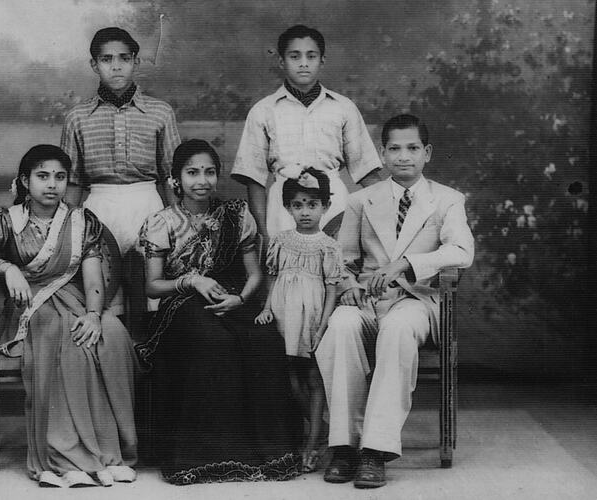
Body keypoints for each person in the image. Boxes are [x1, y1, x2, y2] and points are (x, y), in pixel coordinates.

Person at [315, 114, 474, 488]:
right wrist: (350, 283)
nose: (404, 157)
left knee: (399, 327)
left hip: (416, 302)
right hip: (368, 300)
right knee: (340, 325)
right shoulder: (360, 200)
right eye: (395, 149)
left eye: (413, 148)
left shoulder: (447, 200)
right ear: (383, 154)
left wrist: (408, 263)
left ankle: (376, 449)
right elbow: (343, 257)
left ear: (427, 153)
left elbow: (461, 251)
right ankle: (345, 446)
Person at [0, 145, 137, 488]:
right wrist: (7, 267)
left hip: (75, 299)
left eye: (60, 177)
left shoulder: (80, 220)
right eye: (42, 176)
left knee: (111, 332)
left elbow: (92, 277)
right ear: (25, 181)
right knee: (62, 335)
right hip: (28, 304)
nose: (52, 184)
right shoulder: (6, 220)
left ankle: (110, 452)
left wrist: (93, 314)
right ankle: (66, 455)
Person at [136, 139, 301, 485]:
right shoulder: (161, 221)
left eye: (210, 172)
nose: (202, 180)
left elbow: (254, 273)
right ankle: (207, 457)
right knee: (214, 342)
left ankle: (267, 454)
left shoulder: (236, 215)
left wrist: (240, 299)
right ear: (175, 179)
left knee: (263, 340)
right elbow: (152, 285)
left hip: (230, 300)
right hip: (180, 307)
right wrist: (191, 281)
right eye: (192, 172)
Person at [60, 27, 181, 324]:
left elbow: (171, 178)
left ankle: (151, 364)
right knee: (105, 301)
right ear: (94, 65)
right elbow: (73, 182)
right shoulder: (77, 117)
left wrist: (176, 222)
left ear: (136, 62)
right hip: (99, 208)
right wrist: (69, 229)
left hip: (148, 206)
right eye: (106, 59)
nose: (116, 66)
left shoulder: (160, 113)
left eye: (124, 58)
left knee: (152, 300)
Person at [231, 24, 382, 244]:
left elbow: (368, 173)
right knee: (287, 271)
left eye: (311, 56)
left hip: (333, 204)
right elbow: (254, 181)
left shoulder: (343, 107)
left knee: (332, 268)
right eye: (295, 56)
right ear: (282, 61)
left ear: (322, 60)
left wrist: (381, 224)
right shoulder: (263, 110)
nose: (303, 63)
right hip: (283, 206)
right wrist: (263, 233)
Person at [254, 167, 342, 473]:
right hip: (283, 312)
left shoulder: (328, 246)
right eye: (298, 205)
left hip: (312, 315)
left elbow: (332, 287)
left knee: (313, 378)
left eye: (312, 204)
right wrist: (266, 307)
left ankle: (312, 443)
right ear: (288, 207)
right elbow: (271, 277)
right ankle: (320, 432)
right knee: (288, 377)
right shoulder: (281, 240)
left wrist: (323, 324)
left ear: (326, 206)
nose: (305, 212)